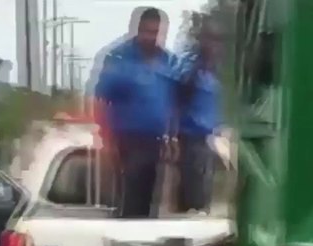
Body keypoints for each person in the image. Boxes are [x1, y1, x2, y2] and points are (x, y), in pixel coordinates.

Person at [93, 8, 178, 218]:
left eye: (155, 32)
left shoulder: (168, 61)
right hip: (127, 139)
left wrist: (173, 137)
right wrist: (106, 138)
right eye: (147, 31)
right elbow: (101, 99)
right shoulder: (119, 58)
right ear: (138, 30)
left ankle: (143, 234)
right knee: (132, 196)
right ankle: (128, 233)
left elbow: (175, 103)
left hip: (157, 140)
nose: (151, 37)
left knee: (153, 200)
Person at [172, 18, 222, 214]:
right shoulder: (191, 66)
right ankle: (191, 210)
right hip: (190, 135)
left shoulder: (213, 70)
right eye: (211, 40)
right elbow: (178, 94)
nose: (215, 45)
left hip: (208, 136)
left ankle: (198, 209)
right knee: (193, 182)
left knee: (204, 181)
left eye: (217, 41)